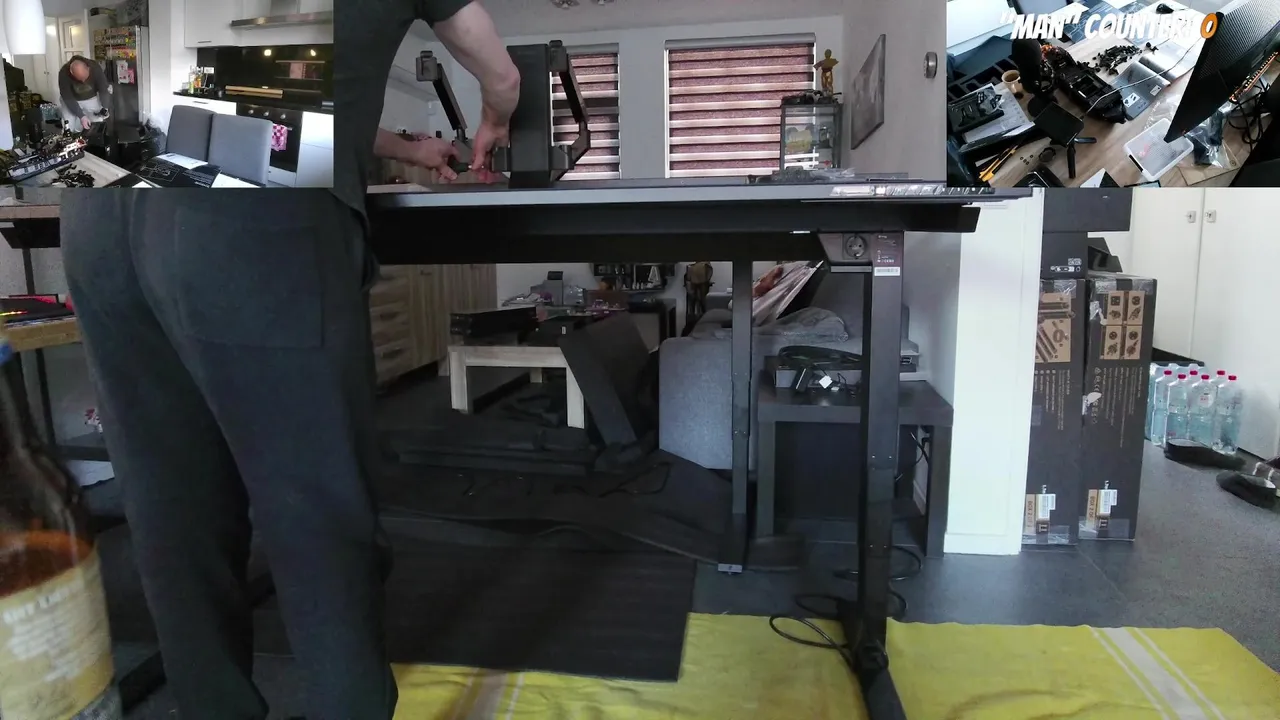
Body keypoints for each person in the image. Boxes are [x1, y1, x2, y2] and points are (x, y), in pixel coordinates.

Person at [58, 2, 519, 718]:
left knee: (170, 499)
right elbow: (501, 73)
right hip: (242, 206)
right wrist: (495, 115)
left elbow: (234, 82)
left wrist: (404, 147)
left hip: (102, 199)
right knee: (314, 503)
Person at [58, 55, 112, 132]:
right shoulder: (63, 73)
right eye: (79, 78)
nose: (83, 81)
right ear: (71, 72)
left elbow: (103, 89)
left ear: (88, 68)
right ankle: (71, 138)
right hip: (72, 99)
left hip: (91, 98)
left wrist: (105, 108)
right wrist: (82, 116)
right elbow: (68, 98)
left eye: (84, 77)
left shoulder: (94, 67)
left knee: (97, 122)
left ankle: (92, 138)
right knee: (68, 125)